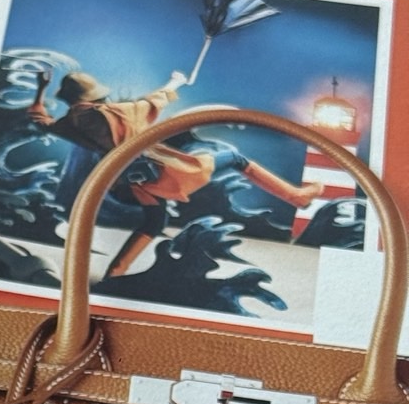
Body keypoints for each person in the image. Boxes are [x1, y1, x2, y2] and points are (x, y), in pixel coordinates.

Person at [27, 68, 323, 279]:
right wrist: (177, 81)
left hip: (133, 181)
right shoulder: (117, 112)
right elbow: (156, 100)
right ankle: (294, 196)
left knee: (154, 221)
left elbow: (40, 120)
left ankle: (116, 271)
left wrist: (40, 89)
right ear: (95, 95)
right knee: (234, 157)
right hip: (164, 171)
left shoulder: (69, 124)